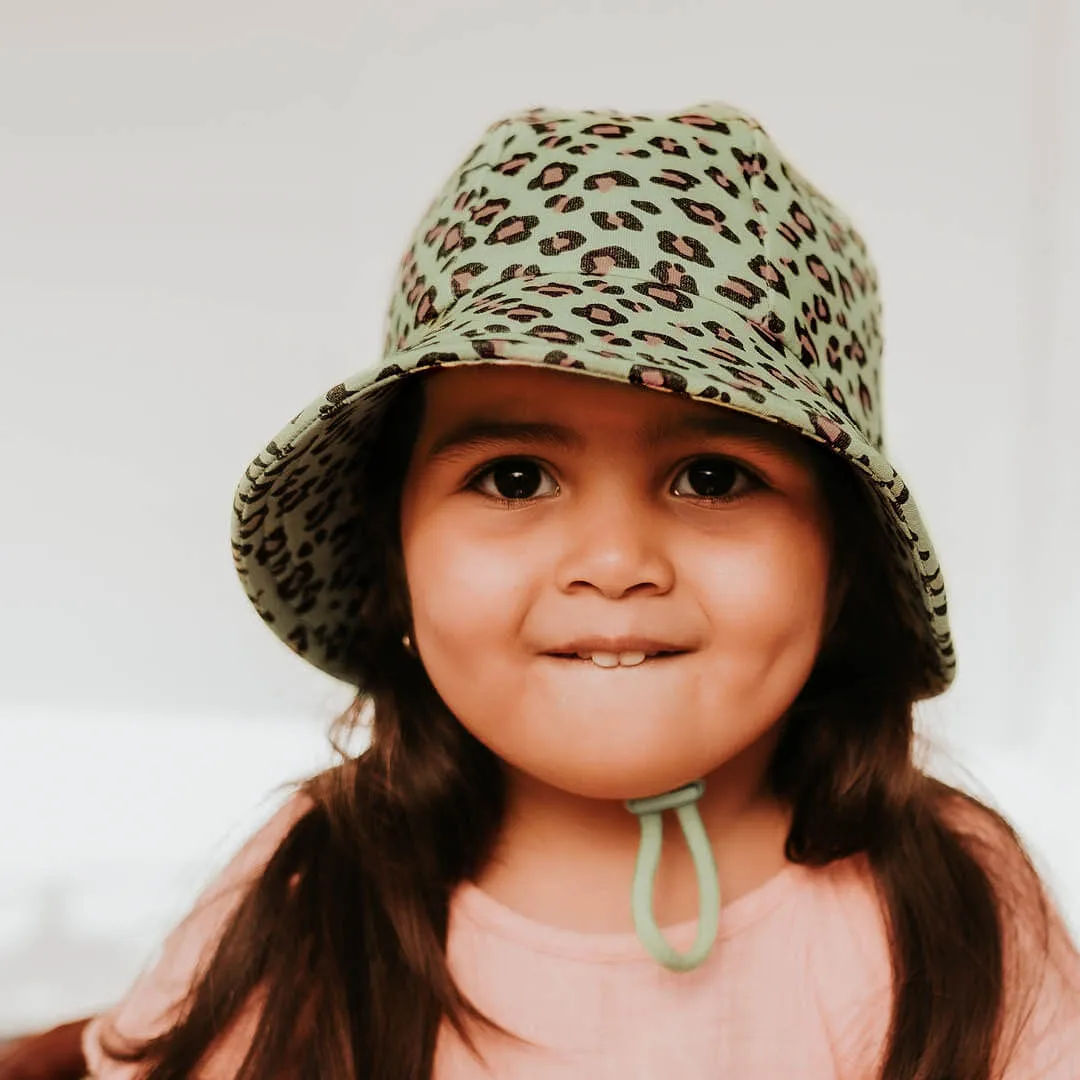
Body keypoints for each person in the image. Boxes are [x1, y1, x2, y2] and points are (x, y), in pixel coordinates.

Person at [6, 100, 1079, 1079]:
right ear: (398, 557)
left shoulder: (949, 905)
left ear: (844, 565)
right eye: (514, 477)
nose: (613, 562)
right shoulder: (319, 887)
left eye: (712, 477)